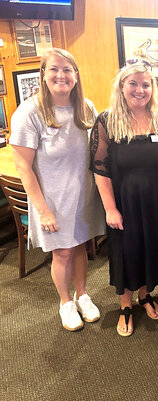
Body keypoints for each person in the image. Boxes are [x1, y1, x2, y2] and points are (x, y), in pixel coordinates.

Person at [10, 48, 105, 331]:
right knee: (62, 253)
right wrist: (43, 210)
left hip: (82, 196)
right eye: (54, 69)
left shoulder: (86, 108)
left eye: (67, 70)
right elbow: (24, 168)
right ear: (43, 74)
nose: (61, 75)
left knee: (79, 248)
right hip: (51, 199)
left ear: (76, 75)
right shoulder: (29, 113)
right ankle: (65, 302)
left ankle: (82, 294)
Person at [90, 60, 158, 337]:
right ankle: (125, 305)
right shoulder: (107, 121)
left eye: (146, 84)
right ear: (122, 86)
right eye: (133, 83)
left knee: (152, 249)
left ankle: (145, 296)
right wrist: (110, 208)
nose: (140, 90)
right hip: (125, 203)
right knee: (127, 251)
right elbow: (100, 169)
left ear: (153, 87)